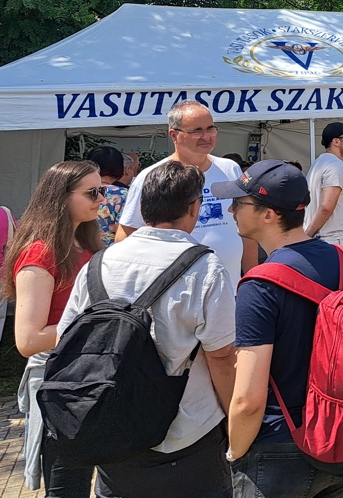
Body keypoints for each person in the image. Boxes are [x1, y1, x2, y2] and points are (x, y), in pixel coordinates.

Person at [59, 161, 236, 498]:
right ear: (194, 207)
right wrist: (234, 417)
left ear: (142, 208)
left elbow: (66, 338)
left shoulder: (100, 263)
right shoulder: (205, 267)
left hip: (112, 426)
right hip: (186, 432)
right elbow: (222, 357)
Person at [220, 160, 343, 498]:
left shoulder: (258, 287)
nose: (231, 210)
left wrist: (235, 452)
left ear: (269, 214)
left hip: (279, 448)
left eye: (239, 203)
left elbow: (248, 400)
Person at [2, 160, 103, 495]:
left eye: (101, 190)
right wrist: (97, 324)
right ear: (62, 197)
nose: (102, 199)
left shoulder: (86, 245)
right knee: (66, 486)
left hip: (87, 377)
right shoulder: (40, 253)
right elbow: (28, 339)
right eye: (92, 192)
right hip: (59, 383)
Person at [117, 99, 256, 280]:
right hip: (177, 289)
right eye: (196, 131)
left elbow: (247, 228)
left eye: (211, 129)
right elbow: (125, 236)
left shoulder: (230, 169)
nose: (206, 136)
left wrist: (252, 278)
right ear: (174, 135)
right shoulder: (152, 177)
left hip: (230, 286)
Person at [304, 122, 343, 248]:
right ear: (336, 141)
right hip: (332, 239)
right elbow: (326, 207)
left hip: (322, 237)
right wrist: (307, 236)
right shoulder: (335, 165)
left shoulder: (318, 163)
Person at [86, 145, 129, 246]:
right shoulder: (123, 194)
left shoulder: (79, 190)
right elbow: (124, 230)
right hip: (109, 250)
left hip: (80, 248)